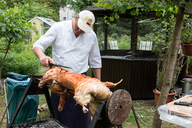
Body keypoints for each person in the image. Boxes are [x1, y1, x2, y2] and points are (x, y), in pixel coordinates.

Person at [32, 10, 102, 128]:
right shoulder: (59, 28)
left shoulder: (91, 36)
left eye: (83, 30)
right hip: (60, 80)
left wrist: (98, 83)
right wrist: (42, 56)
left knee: (82, 116)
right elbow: (38, 45)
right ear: (75, 18)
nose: (80, 31)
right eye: (79, 27)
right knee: (59, 115)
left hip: (81, 82)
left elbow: (96, 61)